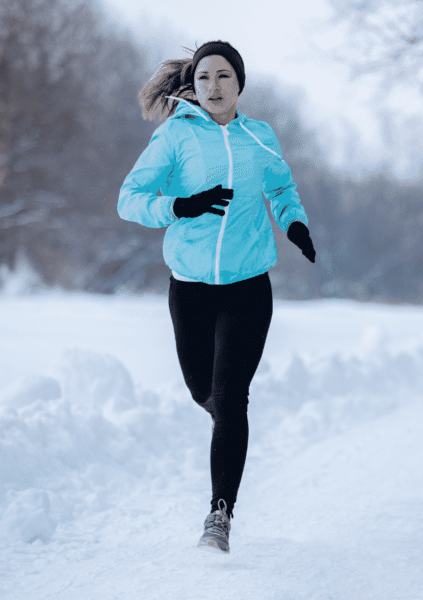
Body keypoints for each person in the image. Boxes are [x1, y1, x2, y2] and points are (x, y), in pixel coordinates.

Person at [117, 40, 316, 554]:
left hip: (249, 287)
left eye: (224, 76)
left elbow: (282, 189)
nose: (213, 86)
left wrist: (294, 224)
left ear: (239, 83)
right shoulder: (175, 136)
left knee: (231, 399)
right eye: (204, 77)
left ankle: (220, 513)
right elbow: (129, 199)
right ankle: (225, 419)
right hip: (191, 290)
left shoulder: (260, 136)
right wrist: (180, 205)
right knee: (203, 390)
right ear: (194, 84)